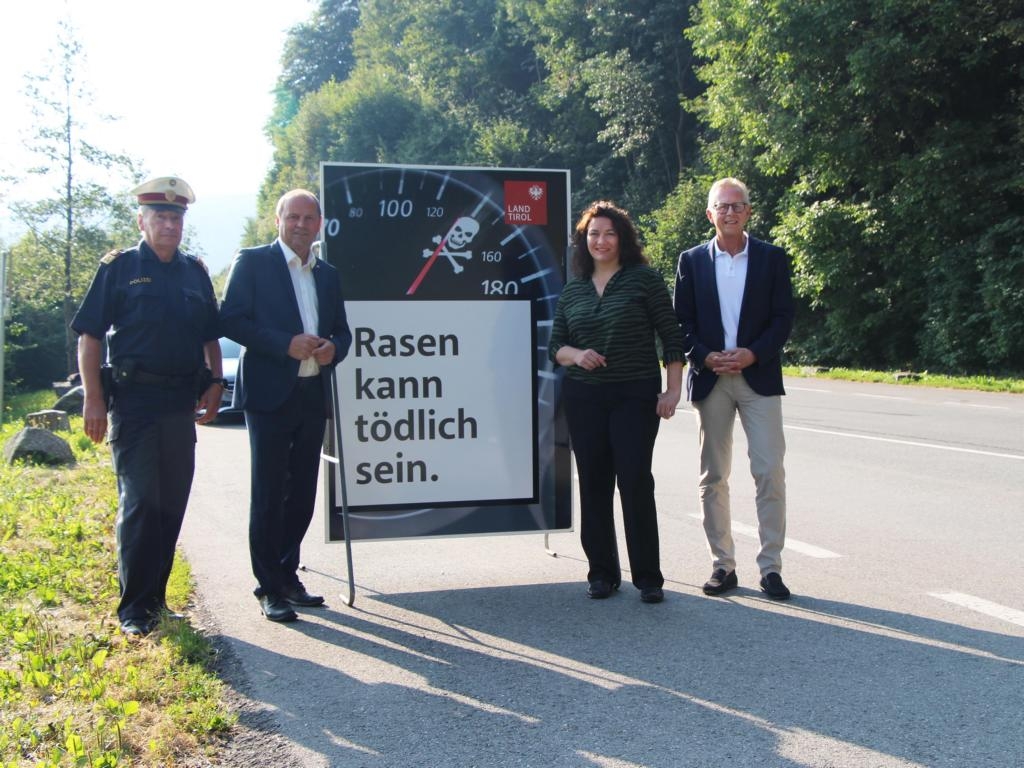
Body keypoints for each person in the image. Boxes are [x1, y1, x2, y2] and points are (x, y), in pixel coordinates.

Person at [72, 176, 224, 638]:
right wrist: (93, 398)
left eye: (176, 217)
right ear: (142, 220)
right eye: (160, 216)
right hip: (134, 403)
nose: (169, 224)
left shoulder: (194, 272)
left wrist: (216, 382)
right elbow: (90, 335)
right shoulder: (119, 268)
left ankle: (156, 600)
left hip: (180, 403)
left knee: (171, 503)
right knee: (140, 502)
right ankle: (133, 609)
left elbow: (209, 337)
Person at [219, 189, 352, 623]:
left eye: (308, 217)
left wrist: (334, 347)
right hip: (269, 396)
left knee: (303, 494)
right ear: (278, 221)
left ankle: (289, 575)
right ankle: (269, 587)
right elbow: (231, 320)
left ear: (320, 224)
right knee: (270, 492)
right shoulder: (253, 262)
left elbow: (343, 332)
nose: (300, 224)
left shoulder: (328, 273)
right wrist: (285, 344)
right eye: (292, 216)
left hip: (312, 395)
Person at [549, 200, 684, 604]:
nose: (601, 241)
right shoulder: (573, 288)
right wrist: (576, 355)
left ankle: (648, 577)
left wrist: (673, 390)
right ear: (582, 240)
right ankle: (602, 573)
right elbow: (555, 345)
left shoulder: (643, 280)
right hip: (584, 396)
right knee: (593, 484)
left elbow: (672, 336)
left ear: (622, 238)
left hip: (634, 394)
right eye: (593, 234)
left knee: (635, 481)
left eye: (609, 233)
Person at [673, 177, 796, 600]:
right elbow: (680, 323)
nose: (729, 212)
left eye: (736, 205)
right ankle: (722, 565)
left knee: (769, 472)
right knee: (714, 476)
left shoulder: (771, 258)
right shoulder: (691, 261)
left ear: (748, 212)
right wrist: (705, 355)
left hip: (757, 376)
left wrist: (753, 354)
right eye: (721, 207)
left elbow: (783, 318)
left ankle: (771, 569)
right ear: (710, 214)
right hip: (711, 380)